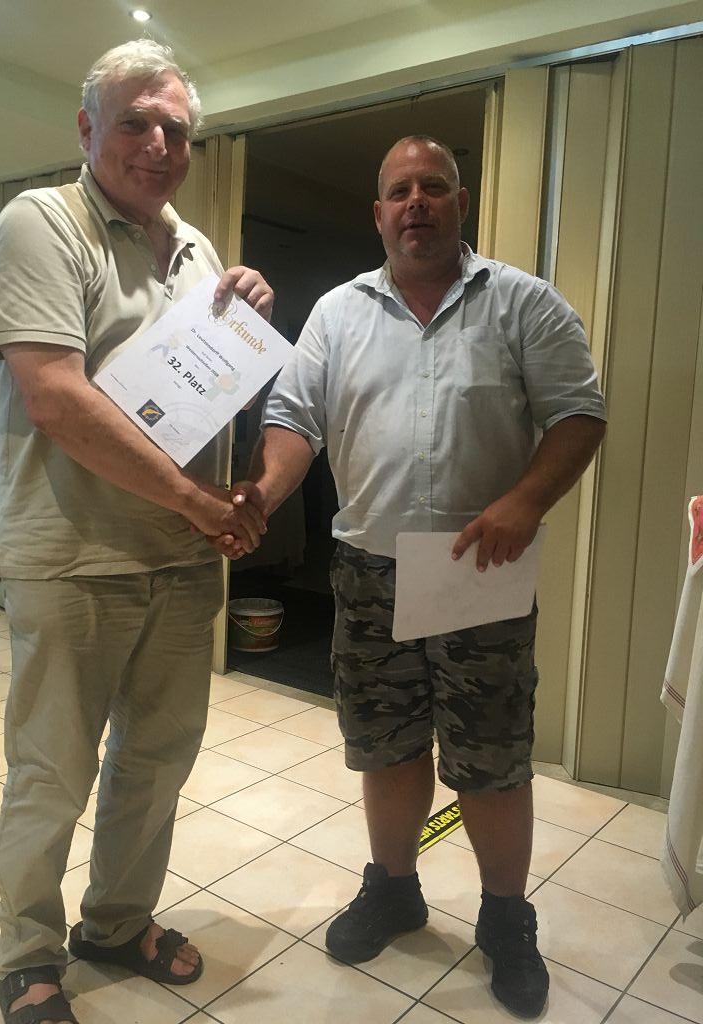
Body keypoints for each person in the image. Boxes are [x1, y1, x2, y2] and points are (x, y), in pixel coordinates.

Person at [220, 135, 607, 1018]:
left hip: (481, 568)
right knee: (385, 745)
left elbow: (579, 414)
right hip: (369, 570)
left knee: (491, 758)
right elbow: (294, 420)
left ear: (460, 203)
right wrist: (265, 495)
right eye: (400, 191)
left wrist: (525, 502)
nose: (417, 203)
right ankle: (393, 888)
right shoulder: (337, 314)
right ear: (379, 213)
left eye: (434, 187)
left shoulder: (523, 303)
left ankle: (506, 919)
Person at [0, 40, 272, 1024]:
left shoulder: (196, 252)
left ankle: (115, 923)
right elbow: (54, 397)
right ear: (87, 128)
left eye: (175, 129)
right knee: (52, 772)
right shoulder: (40, 223)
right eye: (136, 122)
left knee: (156, 762)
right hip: (71, 557)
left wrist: (244, 322)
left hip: (180, 563)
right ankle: (27, 955)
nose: (157, 144)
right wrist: (197, 502)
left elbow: (205, 397)